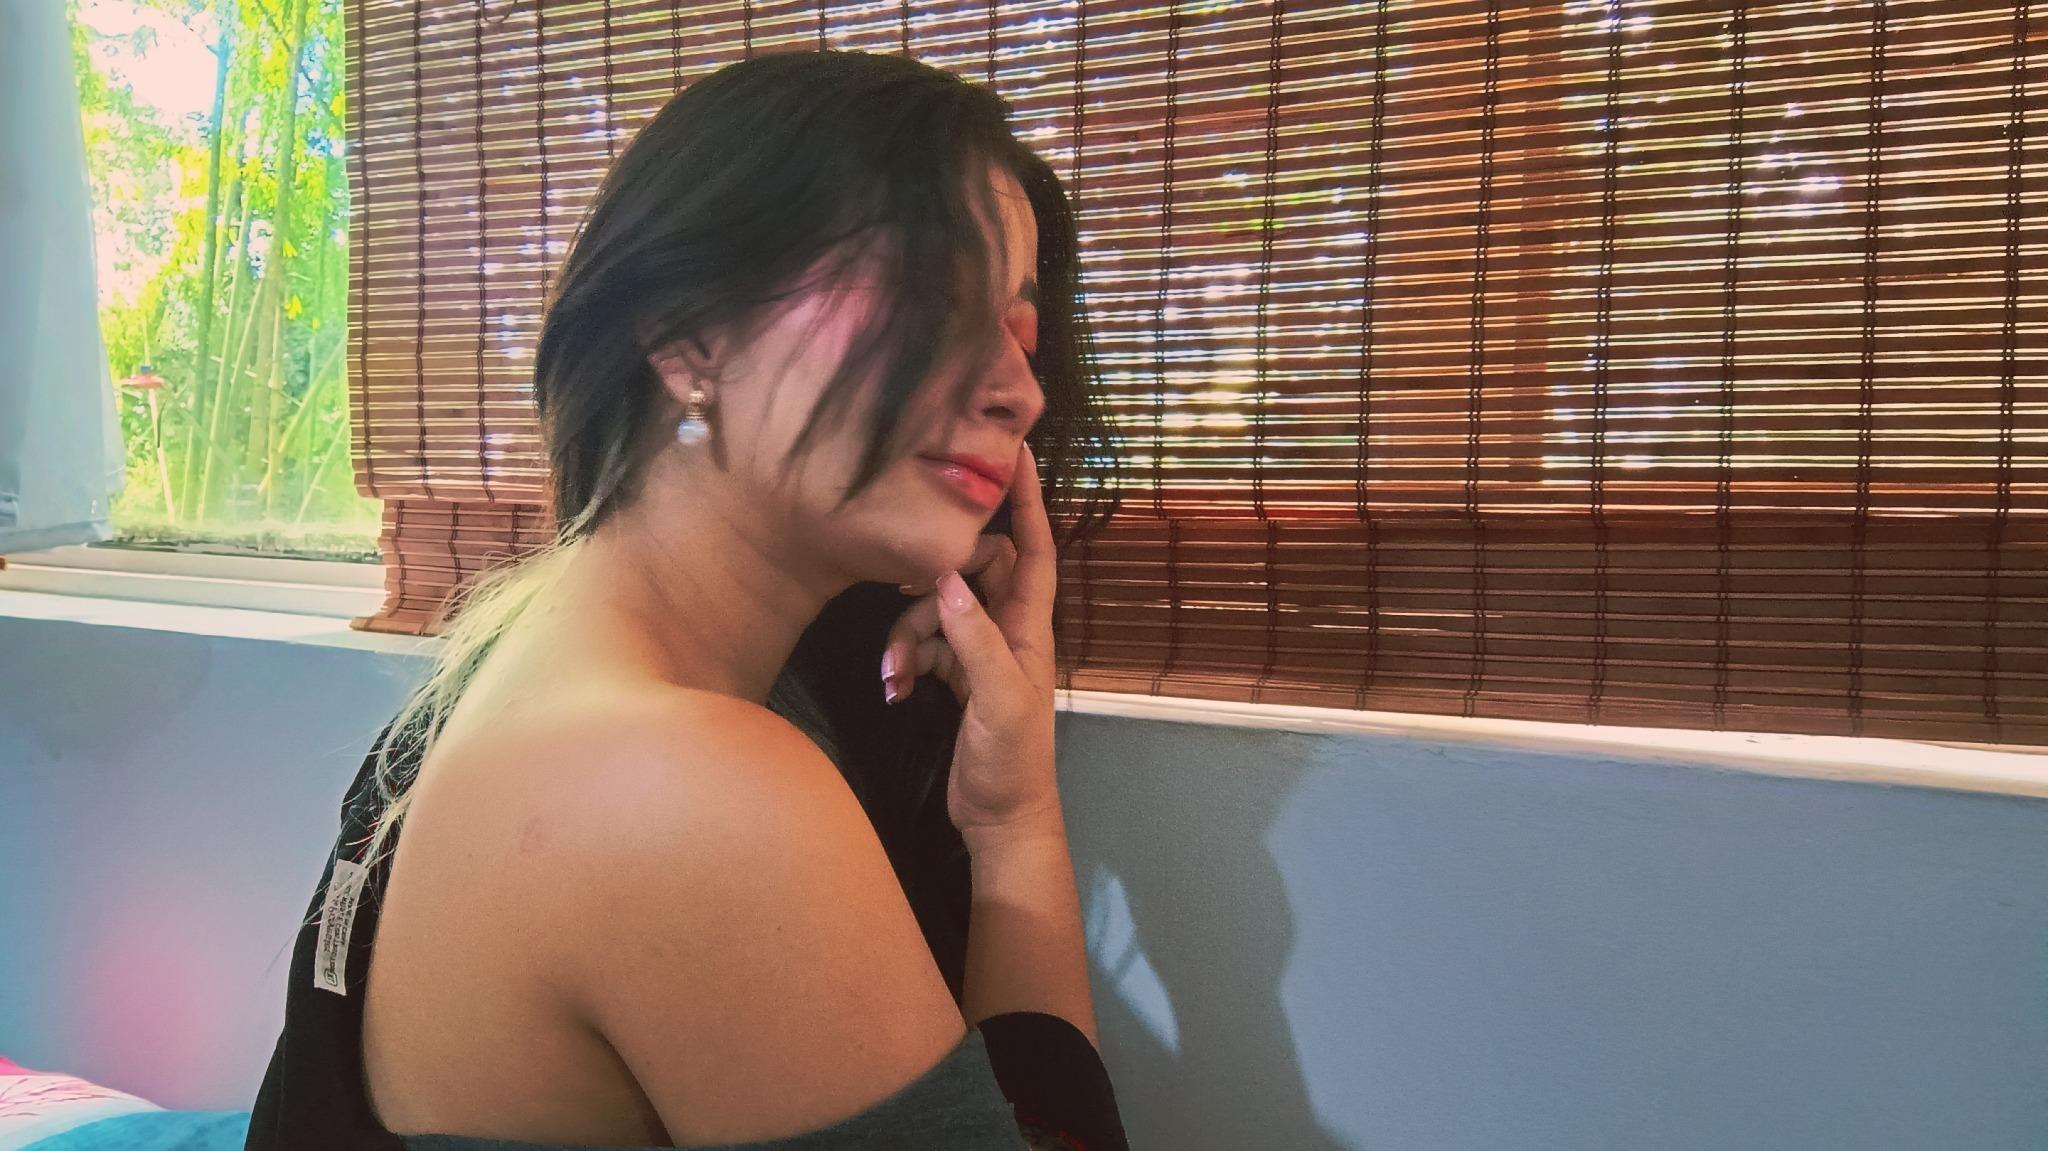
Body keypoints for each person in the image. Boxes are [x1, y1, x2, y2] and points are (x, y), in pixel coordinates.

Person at [245, 50, 1127, 1151]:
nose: (1022, 391)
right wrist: (1015, 825)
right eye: (934, 300)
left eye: (1022, 334)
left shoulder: (519, 661)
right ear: (688, 333)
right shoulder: (692, 788)